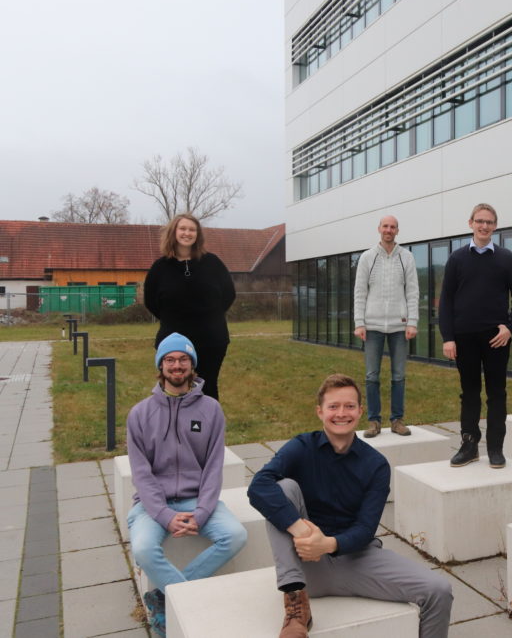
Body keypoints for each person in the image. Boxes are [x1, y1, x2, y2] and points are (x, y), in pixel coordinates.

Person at [247, 374, 453, 638]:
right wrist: (301, 531)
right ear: (319, 411)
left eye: (349, 406)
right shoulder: (301, 446)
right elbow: (258, 486)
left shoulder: (375, 464)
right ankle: (296, 607)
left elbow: (366, 528)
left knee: (439, 590)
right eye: (333, 407)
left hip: (357, 558)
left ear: (360, 411)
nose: (341, 413)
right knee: (283, 488)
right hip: (308, 566)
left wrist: (329, 544)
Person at [127, 332, 247, 637]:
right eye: (170, 359)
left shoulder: (211, 410)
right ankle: (189, 605)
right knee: (143, 547)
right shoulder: (140, 414)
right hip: (153, 505)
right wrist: (165, 516)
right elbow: (142, 474)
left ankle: (164, 597)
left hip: (197, 500)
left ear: (192, 365)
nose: (176, 365)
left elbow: (213, 468)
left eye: (183, 359)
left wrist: (203, 512)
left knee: (235, 535)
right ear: (161, 365)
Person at [440, 203, 512, 468]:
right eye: (480, 221)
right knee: (470, 393)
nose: (484, 226)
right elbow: (446, 300)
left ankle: (496, 449)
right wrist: (448, 337)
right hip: (464, 337)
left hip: (496, 338)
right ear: (471, 223)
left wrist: (510, 327)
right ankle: (469, 445)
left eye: (489, 222)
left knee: (497, 393)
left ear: (495, 226)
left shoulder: (506, 258)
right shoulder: (457, 259)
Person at [144, 213, 235, 401]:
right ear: (174, 232)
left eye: (192, 229)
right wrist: (174, 320)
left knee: (207, 386)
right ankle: (173, 428)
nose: (187, 233)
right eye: (183, 228)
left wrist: (209, 317)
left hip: (211, 340)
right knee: (174, 387)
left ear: (198, 234)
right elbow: (151, 301)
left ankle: (209, 427)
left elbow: (229, 294)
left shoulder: (213, 263)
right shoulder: (159, 268)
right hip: (173, 341)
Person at [353, 215, 419, 438]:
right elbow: (360, 292)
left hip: (400, 327)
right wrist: (359, 323)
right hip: (372, 327)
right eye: (385, 226)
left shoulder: (406, 257)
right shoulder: (367, 258)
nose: (388, 230)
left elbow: (412, 292)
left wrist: (412, 322)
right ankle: (373, 421)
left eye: (392, 227)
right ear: (379, 229)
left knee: (399, 375)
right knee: (372, 376)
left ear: (397, 231)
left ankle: (397, 420)